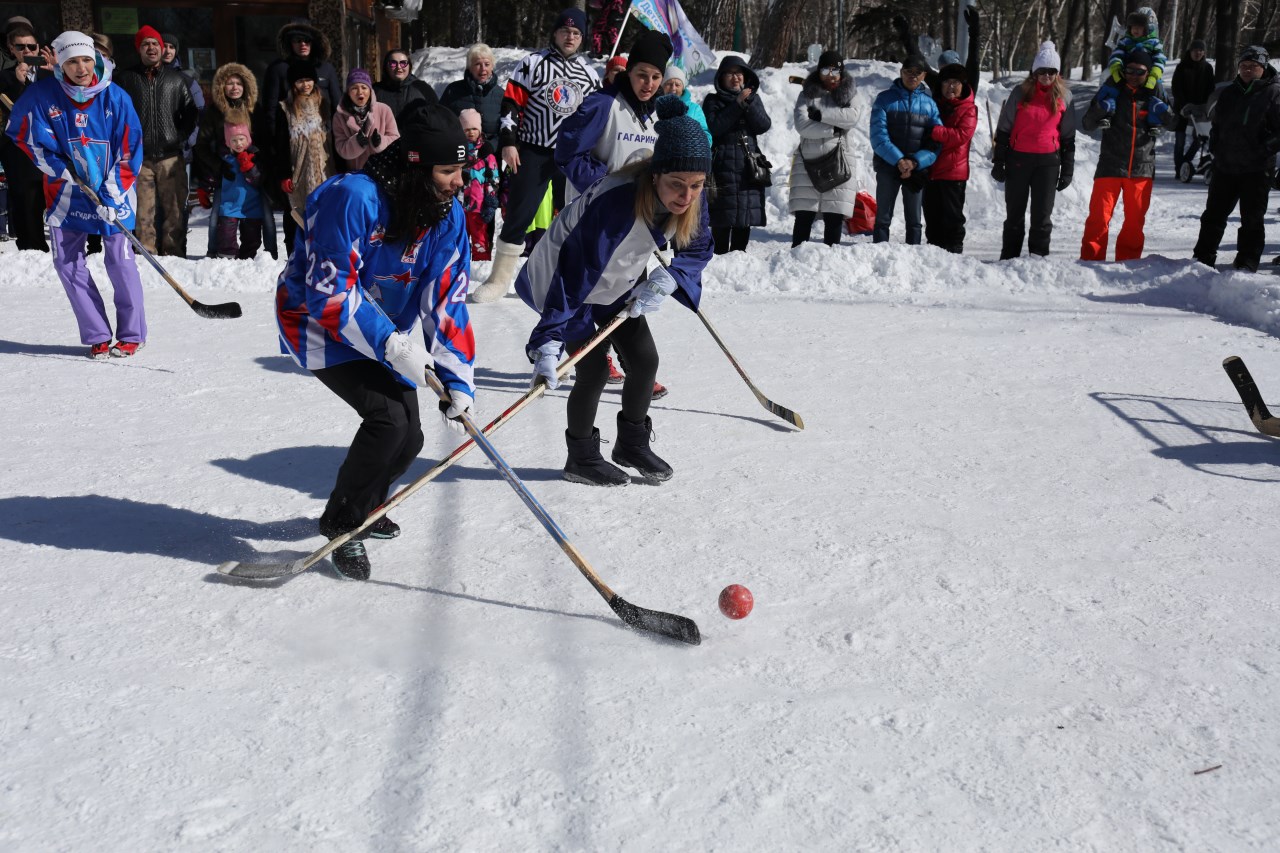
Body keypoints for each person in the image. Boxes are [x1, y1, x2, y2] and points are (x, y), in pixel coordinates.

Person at [275, 103, 476, 580]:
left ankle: (364, 506)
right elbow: (331, 294)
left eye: (461, 170)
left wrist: (458, 377)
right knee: (386, 420)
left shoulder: (446, 216)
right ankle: (342, 523)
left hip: (379, 329)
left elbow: (447, 300)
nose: (459, 181)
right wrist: (392, 344)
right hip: (317, 322)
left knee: (411, 435)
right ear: (416, 167)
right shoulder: (355, 198)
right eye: (448, 170)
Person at [516, 96, 712, 485]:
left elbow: (699, 247)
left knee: (644, 360)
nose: (687, 196)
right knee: (591, 371)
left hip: (617, 276)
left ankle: (632, 444)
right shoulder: (617, 203)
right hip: (563, 277)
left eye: (696, 186)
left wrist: (674, 276)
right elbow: (575, 274)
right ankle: (581, 457)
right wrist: (549, 337)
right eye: (677, 185)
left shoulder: (689, 195)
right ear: (655, 174)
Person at [6, 30, 146, 358]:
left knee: (120, 260)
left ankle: (131, 334)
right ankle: (97, 333)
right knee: (66, 262)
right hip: (65, 192)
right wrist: (57, 166)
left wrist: (112, 196)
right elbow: (22, 134)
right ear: (61, 64)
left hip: (113, 189)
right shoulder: (43, 95)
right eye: (72, 61)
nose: (81, 67)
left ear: (96, 60)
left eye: (86, 59)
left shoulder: (116, 98)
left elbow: (131, 150)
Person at [554, 28, 674, 396]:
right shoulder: (602, 105)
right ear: (628, 71)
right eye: (641, 75)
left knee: (627, 295)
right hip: (595, 222)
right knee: (588, 293)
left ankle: (635, 366)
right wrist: (607, 182)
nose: (648, 84)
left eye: (656, 77)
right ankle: (587, 356)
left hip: (636, 223)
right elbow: (567, 153)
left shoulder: (657, 116)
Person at [470, 8, 599, 303]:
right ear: (554, 33)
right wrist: (509, 142)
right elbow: (511, 104)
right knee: (520, 213)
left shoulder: (590, 74)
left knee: (572, 218)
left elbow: (597, 117)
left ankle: (564, 280)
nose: (570, 37)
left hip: (572, 156)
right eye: (565, 31)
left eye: (576, 33)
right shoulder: (533, 64)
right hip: (534, 150)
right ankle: (499, 280)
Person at [1079, 49, 1174, 262]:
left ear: (1148, 73)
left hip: (1142, 167)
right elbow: (1087, 123)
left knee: (1134, 222)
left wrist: (1164, 112)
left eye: (1139, 72)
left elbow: (1174, 123)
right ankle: (1090, 263)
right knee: (1098, 219)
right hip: (1110, 166)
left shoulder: (1154, 92)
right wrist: (1099, 109)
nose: (1133, 75)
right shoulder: (1112, 89)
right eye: (1129, 70)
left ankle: (1128, 264)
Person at [1192, 46, 1280, 273]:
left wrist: (1264, 149)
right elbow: (1217, 125)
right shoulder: (1230, 92)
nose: (1247, 70)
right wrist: (1215, 147)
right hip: (1226, 166)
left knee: (1251, 218)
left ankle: (1247, 262)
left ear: (1264, 67)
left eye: (1253, 66)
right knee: (1213, 215)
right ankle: (1202, 258)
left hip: (1257, 169)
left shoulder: (1274, 92)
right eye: (1243, 66)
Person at [115, 25, 198, 257]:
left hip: (171, 157)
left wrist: (179, 137)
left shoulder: (177, 80)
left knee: (174, 210)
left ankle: (174, 255)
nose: (151, 48)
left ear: (162, 49)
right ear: (138, 49)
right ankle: (146, 255)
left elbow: (191, 113)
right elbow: (116, 113)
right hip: (138, 158)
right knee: (144, 212)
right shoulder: (125, 79)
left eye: (155, 44)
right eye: (145, 44)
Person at [992, 42, 1076, 259]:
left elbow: (1067, 137)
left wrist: (1067, 170)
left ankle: (1038, 260)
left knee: (1042, 216)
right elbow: (1004, 128)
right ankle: (1009, 258)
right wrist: (999, 161)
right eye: (1042, 71)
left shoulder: (1064, 97)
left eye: (1051, 71)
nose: (1046, 75)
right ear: (1034, 72)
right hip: (1018, 159)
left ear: (1057, 73)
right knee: (1015, 214)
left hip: (1048, 163)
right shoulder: (1020, 93)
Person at [194, 61, 277, 260]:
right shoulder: (214, 112)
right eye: (229, 83)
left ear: (246, 86)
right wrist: (217, 167)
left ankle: (268, 255)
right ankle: (215, 253)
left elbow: (266, 141)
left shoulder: (254, 109)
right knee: (219, 217)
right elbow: (202, 144)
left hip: (252, 172)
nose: (234, 88)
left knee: (264, 216)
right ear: (222, 87)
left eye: (238, 83)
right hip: (226, 171)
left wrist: (257, 165)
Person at [791, 50, 861, 247]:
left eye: (835, 70)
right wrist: (835, 129)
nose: (831, 75)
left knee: (834, 216)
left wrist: (820, 114)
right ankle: (796, 258)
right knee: (804, 215)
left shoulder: (851, 93)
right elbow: (802, 127)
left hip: (840, 160)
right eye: (825, 69)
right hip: (808, 163)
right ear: (818, 71)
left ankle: (831, 261)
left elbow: (852, 117)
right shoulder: (806, 94)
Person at [869, 53, 941, 245]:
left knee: (915, 222)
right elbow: (878, 136)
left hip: (916, 169)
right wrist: (899, 160)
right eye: (909, 72)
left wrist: (915, 162)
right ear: (901, 73)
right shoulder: (884, 100)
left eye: (918, 73)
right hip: (887, 166)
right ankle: (879, 255)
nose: (913, 76)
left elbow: (936, 142)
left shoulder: (930, 105)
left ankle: (914, 259)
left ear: (924, 76)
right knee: (883, 219)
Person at [702, 55, 771, 254]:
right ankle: (719, 256)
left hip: (748, 165)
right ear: (721, 78)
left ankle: (740, 256)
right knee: (722, 215)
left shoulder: (753, 98)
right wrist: (737, 105)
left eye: (739, 73)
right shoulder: (712, 101)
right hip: (722, 164)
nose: (735, 78)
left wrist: (747, 104)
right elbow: (714, 127)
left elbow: (763, 125)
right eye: (730, 73)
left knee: (745, 215)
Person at [274, 58, 337, 255]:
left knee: (327, 213)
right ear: (293, 83)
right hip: (299, 170)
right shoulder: (285, 108)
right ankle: (296, 255)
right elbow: (280, 144)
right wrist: (283, 173)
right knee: (297, 214)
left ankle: (324, 254)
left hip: (326, 168)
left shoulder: (325, 104)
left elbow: (335, 138)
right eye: (300, 80)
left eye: (309, 79)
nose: (305, 84)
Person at [0, 22, 52, 251]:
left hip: (50, 146)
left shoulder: (50, 74)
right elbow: (13, 111)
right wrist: (20, 86)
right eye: (20, 47)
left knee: (54, 198)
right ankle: (32, 250)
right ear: (11, 49)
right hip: (19, 150)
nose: (27, 52)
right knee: (26, 200)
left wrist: (59, 71)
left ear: (38, 47)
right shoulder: (5, 78)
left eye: (31, 47)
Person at [923, 62, 977, 253]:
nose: (951, 87)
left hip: (954, 173)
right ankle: (934, 254)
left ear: (963, 86)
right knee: (932, 217)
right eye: (947, 82)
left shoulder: (969, 109)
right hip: (932, 170)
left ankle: (954, 253)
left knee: (952, 218)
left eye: (956, 82)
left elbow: (961, 135)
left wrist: (935, 132)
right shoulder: (933, 104)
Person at [263, 20, 341, 136]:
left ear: (314, 42)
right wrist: (273, 137)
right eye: (297, 40)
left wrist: (339, 135)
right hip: (290, 135)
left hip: (323, 134)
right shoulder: (278, 69)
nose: (303, 44)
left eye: (307, 40)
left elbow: (337, 104)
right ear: (290, 43)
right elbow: (270, 107)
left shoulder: (326, 68)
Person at [204, 123, 268, 259]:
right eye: (234, 140)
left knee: (252, 239)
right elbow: (213, 176)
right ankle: (227, 260)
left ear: (248, 140)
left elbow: (259, 180)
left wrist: (249, 167)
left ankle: (247, 261)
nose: (238, 143)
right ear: (228, 142)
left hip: (251, 207)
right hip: (229, 206)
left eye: (241, 139)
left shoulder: (255, 157)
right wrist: (205, 185)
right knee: (226, 237)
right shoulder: (225, 159)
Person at [893, 7, 982, 94]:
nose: (949, 74)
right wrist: (905, 35)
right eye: (944, 69)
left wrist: (975, 30)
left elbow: (973, 61)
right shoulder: (937, 83)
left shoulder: (967, 87)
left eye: (952, 69)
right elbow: (918, 59)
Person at [439, 43, 503, 153]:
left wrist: (492, 145)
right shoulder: (453, 91)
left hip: (491, 160)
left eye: (487, 64)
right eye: (477, 64)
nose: (483, 69)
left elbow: (507, 130)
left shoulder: (501, 95)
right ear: (470, 67)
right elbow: (440, 123)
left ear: (492, 66)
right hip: (459, 156)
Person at [332, 68, 399, 172]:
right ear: (348, 92)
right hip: (356, 173)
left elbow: (395, 140)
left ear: (370, 90)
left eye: (364, 87)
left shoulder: (384, 110)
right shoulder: (339, 116)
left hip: (382, 171)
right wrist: (356, 142)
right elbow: (340, 148)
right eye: (354, 88)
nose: (360, 92)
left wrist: (380, 142)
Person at [459, 108, 499, 260]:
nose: (470, 132)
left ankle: (480, 260)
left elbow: (493, 178)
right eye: (466, 129)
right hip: (460, 203)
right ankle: (460, 261)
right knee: (460, 235)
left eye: (474, 128)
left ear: (480, 129)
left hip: (479, 204)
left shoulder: (486, 153)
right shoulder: (458, 151)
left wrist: (491, 200)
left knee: (479, 236)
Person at [1171, 39, 1215, 176]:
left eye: (1201, 51)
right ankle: (1179, 168)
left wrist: (1205, 105)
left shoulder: (1207, 68)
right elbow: (1176, 88)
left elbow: (1210, 89)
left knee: (1199, 139)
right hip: (1182, 109)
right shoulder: (1182, 67)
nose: (1198, 53)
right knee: (1180, 140)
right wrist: (1184, 105)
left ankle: (1185, 163)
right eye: (1196, 50)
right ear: (1190, 51)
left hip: (1199, 110)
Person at [1102, 8, 1166, 97]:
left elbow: (1160, 59)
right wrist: (1116, 68)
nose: (1136, 29)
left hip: (1147, 77)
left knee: (1159, 90)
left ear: (1148, 28)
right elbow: (1117, 55)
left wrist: (1154, 76)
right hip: (1126, 76)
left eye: (1139, 27)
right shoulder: (1125, 41)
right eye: (1133, 26)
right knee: (1110, 84)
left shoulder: (1154, 43)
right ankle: (1108, 105)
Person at [372, 50, 438, 121]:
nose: (399, 67)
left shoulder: (423, 88)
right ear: (386, 67)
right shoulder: (375, 91)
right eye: (393, 63)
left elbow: (437, 118)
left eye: (403, 63)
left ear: (409, 66)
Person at [661, 65, 710, 144]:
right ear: (662, 86)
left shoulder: (694, 109)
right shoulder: (653, 107)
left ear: (683, 88)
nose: (673, 88)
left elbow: (706, 136)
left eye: (677, 85)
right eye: (669, 84)